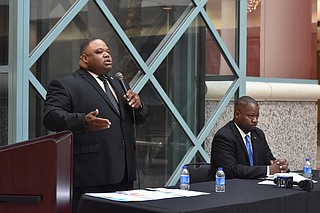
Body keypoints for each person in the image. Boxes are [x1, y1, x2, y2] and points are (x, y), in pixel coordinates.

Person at [43, 38, 147, 212]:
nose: (106, 55)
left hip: (124, 174)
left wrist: (139, 105)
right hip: (91, 174)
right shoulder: (66, 84)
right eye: (99, 52)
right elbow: (51, 117)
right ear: (84, 59)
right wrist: (82, 120)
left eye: (107, 51)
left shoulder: (119, 83)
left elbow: (140, 118)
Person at [209, 96, 289, 180]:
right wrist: (268, 170)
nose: (255, 120)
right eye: (251, 116)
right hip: (229, 188)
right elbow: (230, 170)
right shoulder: (224, 136)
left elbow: (268, 160)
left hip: (255, 186)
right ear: (237, 114)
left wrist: (279, 166)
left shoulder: (258, 134)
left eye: (257, 116)